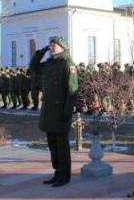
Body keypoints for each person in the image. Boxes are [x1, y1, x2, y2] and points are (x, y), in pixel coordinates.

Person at [30, 36, 79, 187]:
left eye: (54, 45)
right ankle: (57, 173)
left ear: (62, 47)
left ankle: (65, 175)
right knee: (52, 144)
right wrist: (41, 52)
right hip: (49, 111)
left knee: (62, 146)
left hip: (60, 111)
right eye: (50, 45)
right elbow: (33, 67)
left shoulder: (68, 65)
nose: (51, 47)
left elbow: (72, 91)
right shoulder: (49, 63)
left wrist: (67, 112)